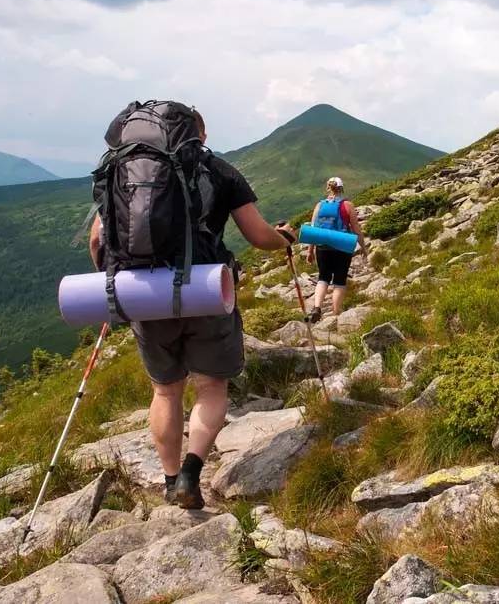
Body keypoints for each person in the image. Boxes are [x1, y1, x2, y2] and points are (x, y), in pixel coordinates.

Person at [88, 110, 294, 509]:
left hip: (146, 295)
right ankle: (191, 472)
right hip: (205, 291)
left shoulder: (124, 172)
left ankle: (168, 480)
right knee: (212, 385)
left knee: (165, 390)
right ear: (198, 133)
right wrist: (283, 240)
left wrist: (114, 283)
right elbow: (258, 236)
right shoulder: (218, 169)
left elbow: (99, 239)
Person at [305, 176, 366, 323]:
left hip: (322, 246)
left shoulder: (319, 205)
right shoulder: (348, 205)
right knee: (339, 279)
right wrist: (363, 247)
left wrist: (309, 251)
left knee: (323, 277)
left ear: (328, 188)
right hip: (342, 244)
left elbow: (314, 230)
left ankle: (317, 308)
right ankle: (336, 313)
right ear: (341, 189)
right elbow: (356, 229)